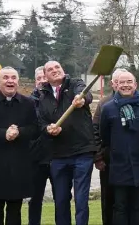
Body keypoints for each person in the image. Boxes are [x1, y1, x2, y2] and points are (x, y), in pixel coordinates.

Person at [37, 60, 97, 225]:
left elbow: (86, 94)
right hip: (58, 155)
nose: (55, 70)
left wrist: (82, 99)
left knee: (81, 199)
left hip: (82, 152)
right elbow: (41, 122)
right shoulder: (43, 96)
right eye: (50, 69)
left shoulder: (75, 84)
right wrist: (48, 129)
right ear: (46, 76)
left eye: (57, 67)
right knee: (61, 200)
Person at [0, 67, 40, 224]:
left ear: (18, 81)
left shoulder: (28, 103)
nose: (10, 81)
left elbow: (35, 129)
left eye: (13, 78)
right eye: (6, 77)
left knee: (15, 211)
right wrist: (3, 133)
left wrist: (19, 132)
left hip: (18, 165)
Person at [99, 71, 139, 225]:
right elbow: (105, 136)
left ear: (135, 85)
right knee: (120, 206)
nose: (125, 85)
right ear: (116, 85)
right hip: (119, 165)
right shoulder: (108, 108)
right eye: (122, 82)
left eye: (129, 81)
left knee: (138, 206)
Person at [92, 68, 128, 225]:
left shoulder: (137, 103)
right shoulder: (104, 103)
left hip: (129, 162)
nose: (122, 84)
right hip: (108, 162)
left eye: (126, 81)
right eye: (118, 81)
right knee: (108, 200)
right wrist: (98, 157)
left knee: (128, 202)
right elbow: (95, 132)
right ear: (113, 83)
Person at [28, 66, 54, 225]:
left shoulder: (58, 101)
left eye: (45, 78)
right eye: (39, 78)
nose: (42, 81)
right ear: (35, 81)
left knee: (62, 198)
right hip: (36, 158)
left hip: (57, 156)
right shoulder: (28, 103)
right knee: (35, 198)